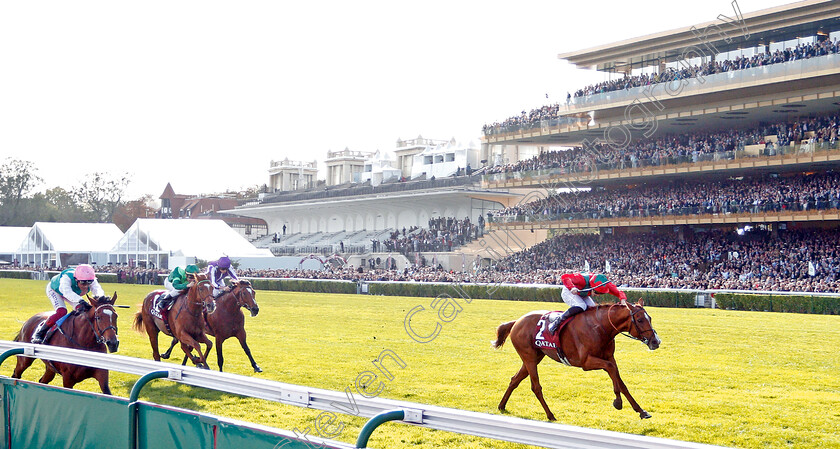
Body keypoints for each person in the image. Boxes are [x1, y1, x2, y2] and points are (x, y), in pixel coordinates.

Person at [32, 264, 105, 344]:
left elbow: (98, 290)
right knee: (62, 312)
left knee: (84, 310)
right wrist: (81, 301)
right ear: (76, 279)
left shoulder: (90, 278)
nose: (86, 286)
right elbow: (67, 292)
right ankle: (40, 332)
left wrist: (102, 300)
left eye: (89, 283)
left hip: (72, 292)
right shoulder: (66, 278)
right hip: (55, 290)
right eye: (83, 283)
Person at [548, 272, 627, 334]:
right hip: (569, 291)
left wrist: (623, 299)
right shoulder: (581, 279)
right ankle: (557, 322)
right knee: (581, 306)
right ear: (592, 287)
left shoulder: (605, 283)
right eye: (597, 293)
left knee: (592, 308)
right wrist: (572, 287)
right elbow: (565, 276)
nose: (598, 295)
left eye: (601, 294)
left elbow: (618, 292)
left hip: (582, 293)